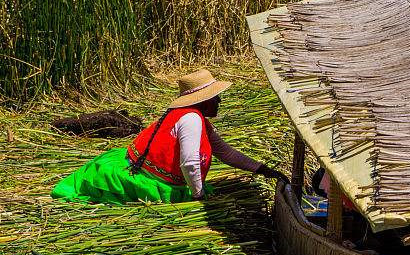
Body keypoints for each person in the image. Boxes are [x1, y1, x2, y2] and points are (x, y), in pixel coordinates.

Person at [52, 69, 289, 204]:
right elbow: (189, 162)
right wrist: (198, 195)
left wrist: (262, 169)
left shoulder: (197, 119)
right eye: (215, 97)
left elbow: (225, 152)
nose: (219, 101)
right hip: (153, 183)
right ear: (202, 100)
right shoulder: (191, 119)